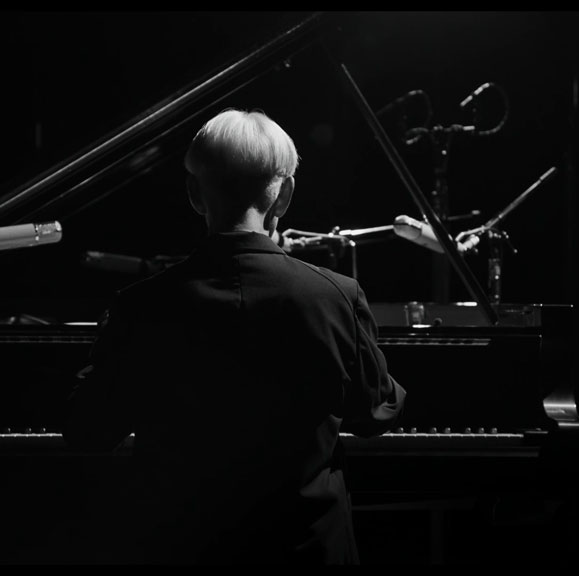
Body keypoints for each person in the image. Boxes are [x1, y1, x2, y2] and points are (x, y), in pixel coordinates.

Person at [63, 108, 406, 564]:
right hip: (307, 549)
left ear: (194, 194)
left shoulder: (141, 305)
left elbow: (88, 430)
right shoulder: (335, 296)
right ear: (284, 196)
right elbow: (374, 414)